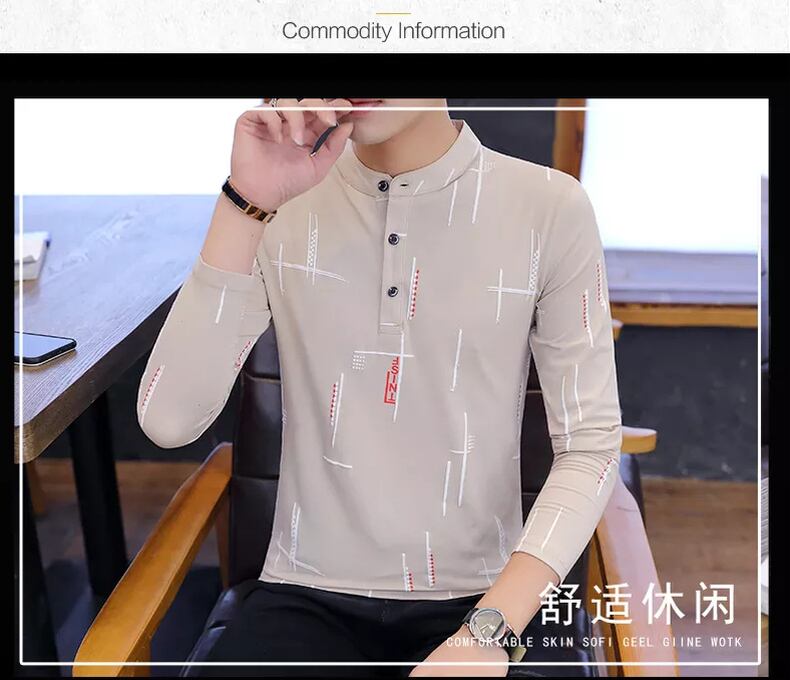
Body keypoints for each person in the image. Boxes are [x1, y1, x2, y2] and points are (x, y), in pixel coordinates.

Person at [137, 98, 622, 677]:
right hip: (303, 593)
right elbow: (169, 421)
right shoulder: (278, 203)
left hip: (483, 598)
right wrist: (244, 205)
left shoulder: (548, 206)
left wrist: (486, 634)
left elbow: (590, 446)